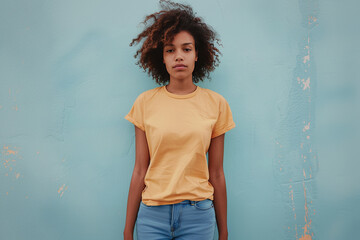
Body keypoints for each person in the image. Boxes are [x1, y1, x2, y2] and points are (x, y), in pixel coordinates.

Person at [123, 1, 235, 239]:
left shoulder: (216, 104)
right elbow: (139, 170)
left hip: (199, 214)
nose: (179, 57)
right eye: (170, 50)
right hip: (152, 215)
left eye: (186, 49)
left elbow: (216, 173)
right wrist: (127, 230)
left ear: (197, 55)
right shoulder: (145, 103)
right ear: (161, 58)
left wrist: (223, 231)